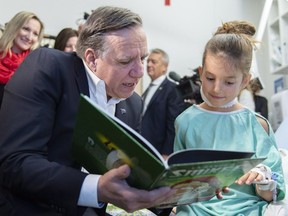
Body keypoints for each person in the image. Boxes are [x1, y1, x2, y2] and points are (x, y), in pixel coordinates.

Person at [0, 6, 175, 216]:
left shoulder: (133, 104)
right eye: (125, 60)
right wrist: (97, 188)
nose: (139, 72)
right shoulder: (49, 68)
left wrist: (177, 193)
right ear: (92, 59)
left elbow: (127, 178)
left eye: (142, 59)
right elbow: (15, 162)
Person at [174, 20, 285, 215]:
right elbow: (177, 184)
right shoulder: (185, 121)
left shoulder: (256, 125)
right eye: (210, 78)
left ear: (245, 81)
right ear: (201, 73)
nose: (217, 89)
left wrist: (263, 179)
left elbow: (273, 195)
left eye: (229, 82)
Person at [141, 48, 187, 159]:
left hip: (158, 151)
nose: (149, 64)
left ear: (164, 67)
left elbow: (173, 124)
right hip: (143, 145)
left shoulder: (172, 89)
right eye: (148, 61)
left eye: (154, 62)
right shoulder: (149, 88)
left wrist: (167, 153)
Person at [0, 11, 44, 108]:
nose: (29, 37)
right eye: (26, 29)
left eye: (35, 34)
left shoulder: (36, 69)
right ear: (14, 28)